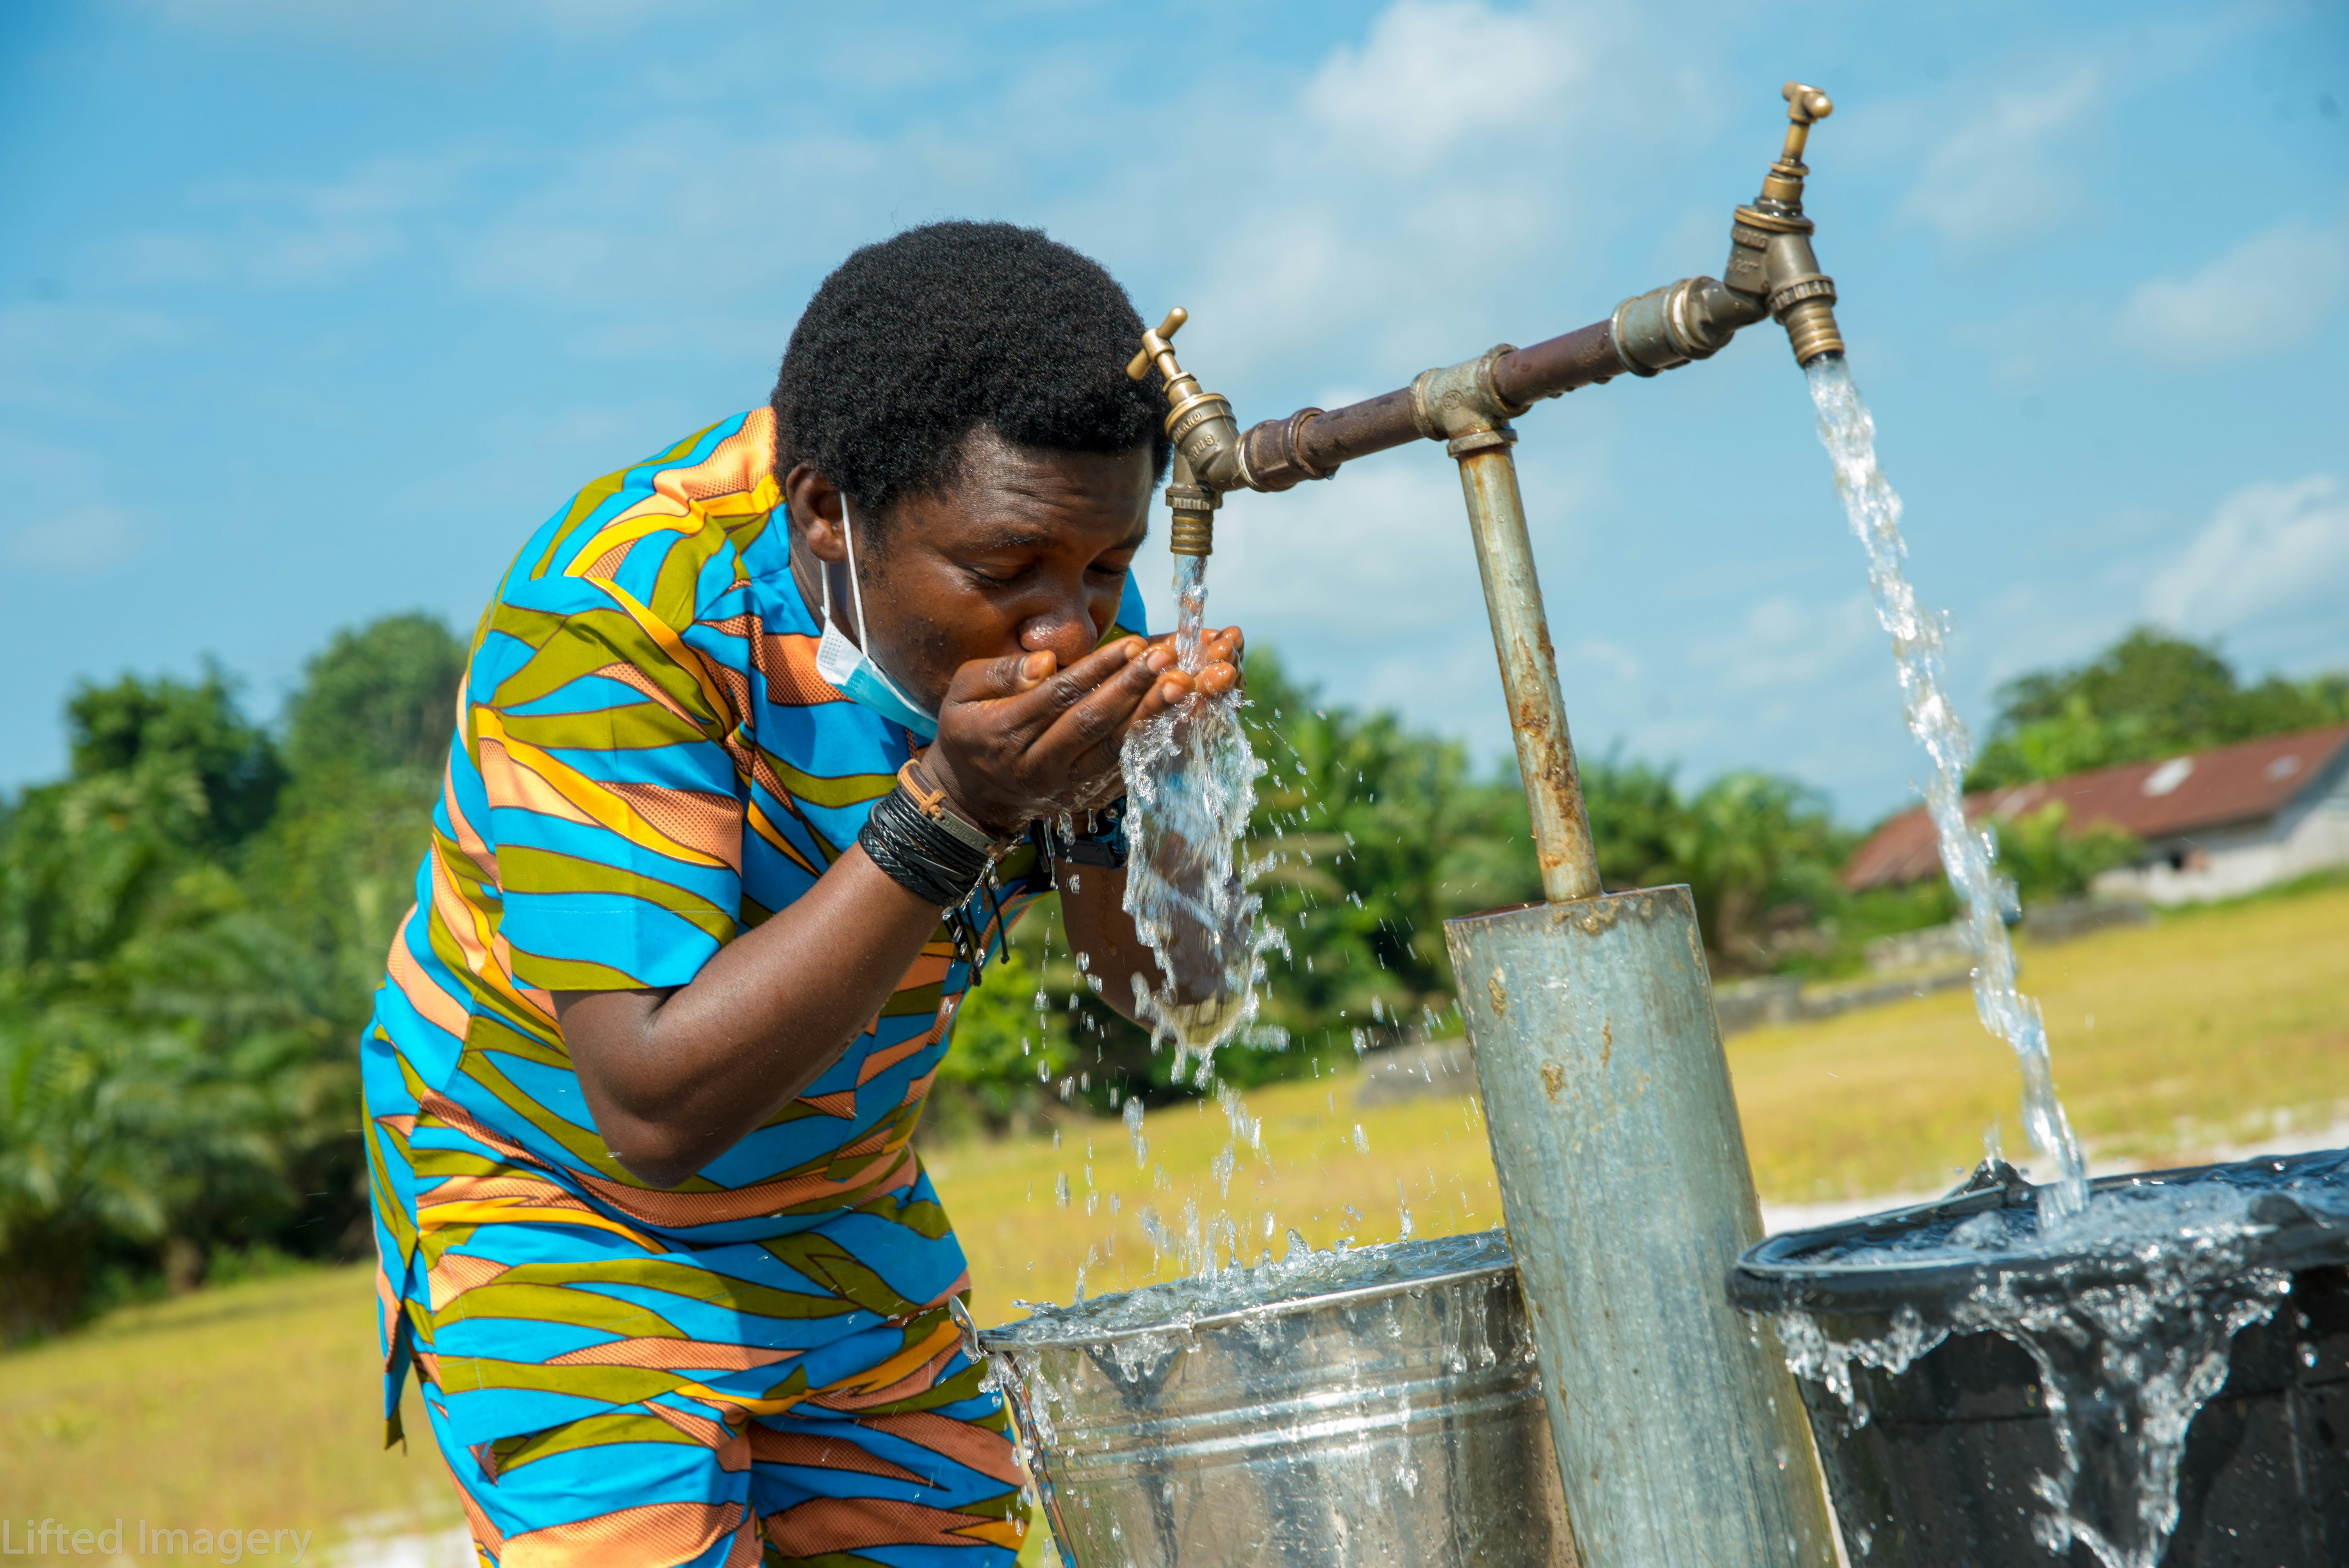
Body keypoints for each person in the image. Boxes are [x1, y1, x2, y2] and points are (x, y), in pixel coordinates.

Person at [361, 221, 1244, 1568]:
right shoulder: (615, 617)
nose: (1066, 631)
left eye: (1105, 570)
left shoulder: (1051, 583)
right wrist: (957, 807)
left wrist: (1137, 793)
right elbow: (651, 1106)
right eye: (1007, 576)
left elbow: (1173, 993)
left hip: (839, 1205)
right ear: (828, 513)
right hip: (552, 1198)